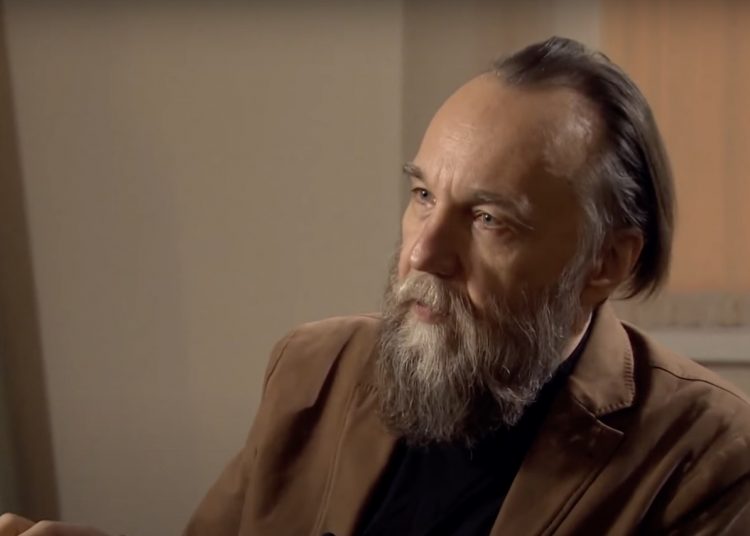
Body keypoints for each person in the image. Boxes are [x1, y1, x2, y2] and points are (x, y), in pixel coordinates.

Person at [2, 36, 749, 536]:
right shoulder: (313, 370)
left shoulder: (709, 458)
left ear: (605, 263)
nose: (423, 252)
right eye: (423, 195)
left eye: (489, 218)